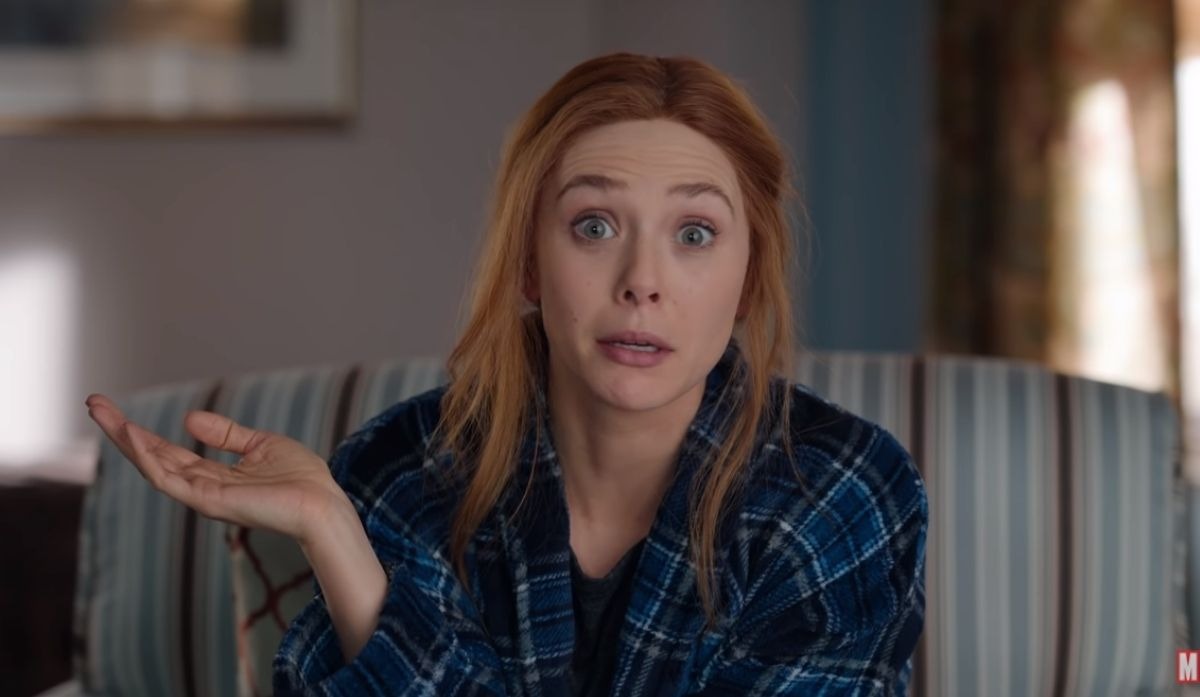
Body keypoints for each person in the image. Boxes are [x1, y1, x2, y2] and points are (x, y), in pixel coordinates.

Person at [85, 52, 928, 696]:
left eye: (695, 234)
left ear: (748, 278)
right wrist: (333, 533)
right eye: (594, 226)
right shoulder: (399, 471)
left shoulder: (843, 489)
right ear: (527, 262)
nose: (643, 280)